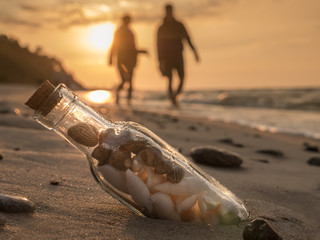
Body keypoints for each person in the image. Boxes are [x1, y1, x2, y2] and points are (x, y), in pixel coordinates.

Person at [157, 3, 199, 107]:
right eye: (167, 11)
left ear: (172, 11)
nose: (169, 13)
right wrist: (160, 60)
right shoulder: (162, 27)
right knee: (170, 78)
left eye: (170, 11)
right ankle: (173, 100)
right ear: (165, 12)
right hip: (167, 57)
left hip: (178, 55)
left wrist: (194, 52)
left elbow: (188, 38)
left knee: (182, 77)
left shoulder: (179, 25)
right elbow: (157, 45)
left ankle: (175, 97)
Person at [109, 14, 147, 105]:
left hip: (130, 60)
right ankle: (117, 95)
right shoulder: (119, 32)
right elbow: (114, 45)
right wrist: (110, 57)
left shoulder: (131, 32)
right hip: (122, 60)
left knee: (130, 80)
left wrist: (139, 52)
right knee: (124, 80)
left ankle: (129, 101)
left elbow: (133, 47)